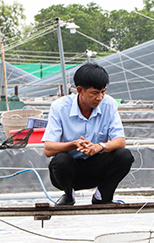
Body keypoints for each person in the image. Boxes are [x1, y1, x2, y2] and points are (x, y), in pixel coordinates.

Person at [43, 63, 134, 206]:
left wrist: (99, 147)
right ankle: (68, 194)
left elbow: (120, 141)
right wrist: (73, 144)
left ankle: (103, 195)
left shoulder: (109, 105)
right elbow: (48, 149)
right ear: (80, 90)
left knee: (124, 155)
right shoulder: (59, 107)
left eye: (103, 92)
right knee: (61, 160)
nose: (100, 97)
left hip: (96, 168)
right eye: (95, 93)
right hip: (68, 172)